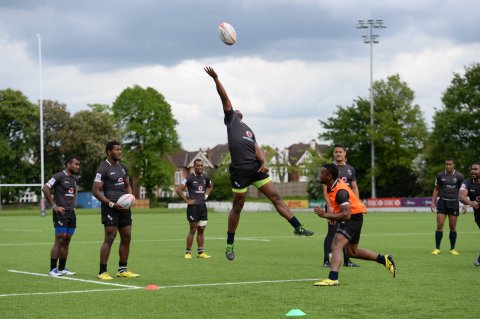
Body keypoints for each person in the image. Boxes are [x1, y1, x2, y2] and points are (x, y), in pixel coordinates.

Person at [204, 66, 314, 261]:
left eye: (237, 109)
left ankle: (298, 226)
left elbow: (257, 148)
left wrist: (264, 162)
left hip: (256, 168)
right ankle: (230, 243)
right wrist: (216, 79)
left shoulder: (248, 129)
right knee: (237, 207)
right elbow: (225, 99)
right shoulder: (231, 121)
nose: (236, 109)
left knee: (276, 197)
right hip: (240, 170)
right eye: (234, 109)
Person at [313, 163, 396, 286]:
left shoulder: (340, 191)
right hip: (355, 216)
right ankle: (384, 259)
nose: (320, 175)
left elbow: (346, 214)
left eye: (322, 173)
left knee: (336, 245)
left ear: (329, 176)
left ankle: (333, 278)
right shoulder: (332, 185)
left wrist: (325, 215)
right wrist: (332, 216)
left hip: (353, 217)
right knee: (352, 252)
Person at [92, 141, 139, 280]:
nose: (120, 152)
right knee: (110, 238)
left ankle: (122, 270)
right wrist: (111, 204)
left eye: (120, 149)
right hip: (110, 208)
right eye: (117, 150)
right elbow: (95, 191)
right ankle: (102, 272)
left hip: (124, 208)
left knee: (127, 237)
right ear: (109, 152)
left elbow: (128, 185)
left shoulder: (123, 168)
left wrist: (130, 197)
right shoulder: (103, 168)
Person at [322, 144, 360, 268]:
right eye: (336, 152)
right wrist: (329, 206)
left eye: (340, 152)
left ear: (345, 153)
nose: (338, 154)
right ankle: (326, 260)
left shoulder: (350, 169)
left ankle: (347, 261)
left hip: (347, 206)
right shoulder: (330, 169)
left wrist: (357, 203)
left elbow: (354, 187)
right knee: (332, 232)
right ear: (333, 154)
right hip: (334, 206)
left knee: (346, 233)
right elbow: (325, 188)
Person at [43, 155, 81, 277]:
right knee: (59, 240)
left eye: (78, 165)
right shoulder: (58, 176)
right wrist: (54, 206)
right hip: (60, 213)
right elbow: (45, 188)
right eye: (75, 164)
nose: (77, 167)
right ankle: (52, 269)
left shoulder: (75, 179)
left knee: (66, 241)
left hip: (71, 213)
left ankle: (62, 268)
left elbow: (74, 193)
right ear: (68, 164)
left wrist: (73, 206)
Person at [175, 159, 214, 259]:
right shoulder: (189, 177)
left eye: (201, 165)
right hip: (193, 208)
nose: (200, 167)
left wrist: (206, 195)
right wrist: (187, 201)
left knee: (201, 229)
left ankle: (201, 252)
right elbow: (178, 189)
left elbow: (210, 186)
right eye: (198, 166)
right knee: (193, 230)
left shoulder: (205, 177)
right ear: (194, 166)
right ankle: (188, 253)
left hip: (203, 207)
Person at [430, 158, 464, 255]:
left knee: (452, 226)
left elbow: (463, 191)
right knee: (439, 225)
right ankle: (437, 248)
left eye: (450, 164)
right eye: (446, 164)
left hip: (454, 203)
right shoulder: (440, 175)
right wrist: (433, 202)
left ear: (454, 165)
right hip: (442, 203)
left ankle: (452, 249)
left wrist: (465, 204)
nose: (448, 166)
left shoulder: (459, 176)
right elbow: (436, 189)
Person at [458, 162, 480, 266]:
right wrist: (470, 202)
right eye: (472, 169)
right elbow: (461, 196)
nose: (473, 171)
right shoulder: (466, 183)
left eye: (476, 169)